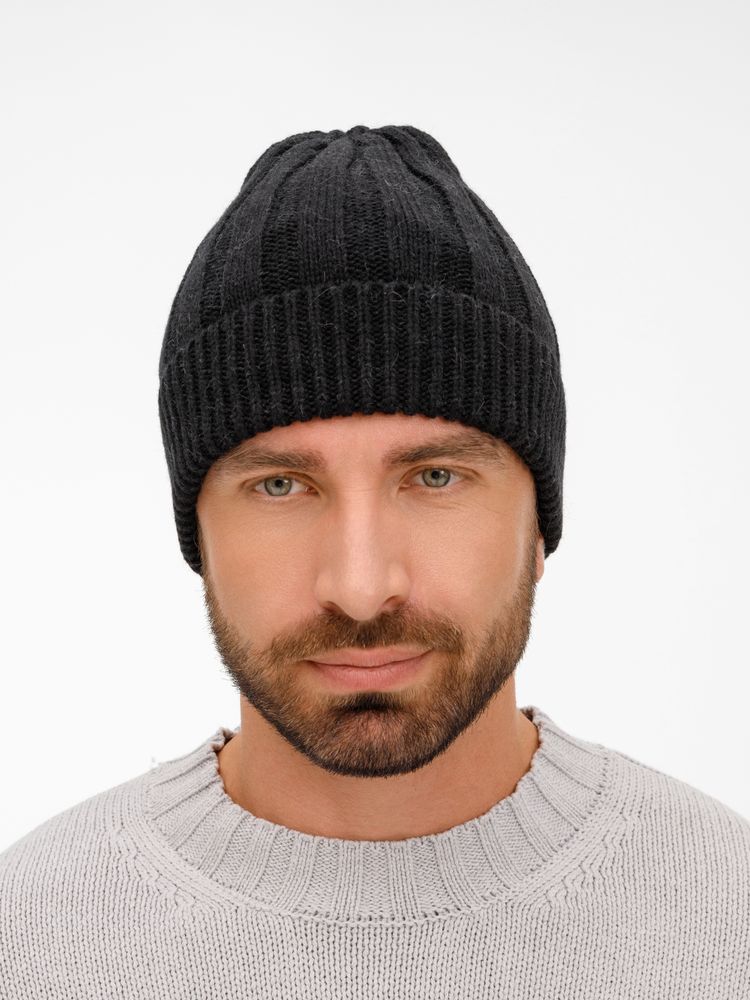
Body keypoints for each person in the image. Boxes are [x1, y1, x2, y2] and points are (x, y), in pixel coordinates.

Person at [1, 124, 748, 999]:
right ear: (197, 535)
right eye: (281, 486)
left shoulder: (726, 918)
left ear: (540, 524)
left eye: (435, 477)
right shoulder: (30, 942)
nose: (360, 589)